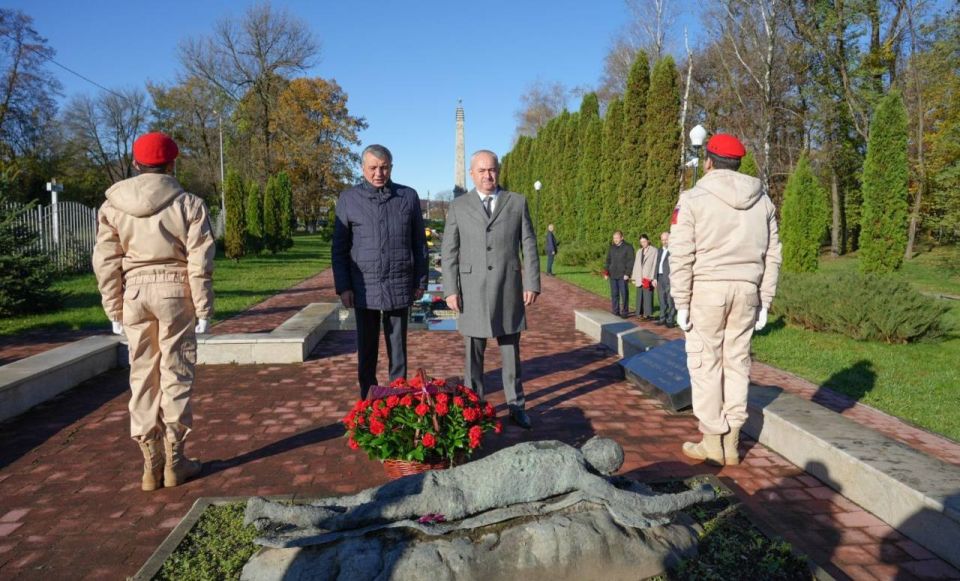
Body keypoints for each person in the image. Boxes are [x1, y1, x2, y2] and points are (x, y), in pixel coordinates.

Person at [92, 131, 214, 491]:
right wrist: (204, 307)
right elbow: (200, 260)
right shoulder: (189, 203)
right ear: (172, 163)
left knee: (142, 375)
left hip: (135, 292)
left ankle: (150, 465)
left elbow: (105, 261)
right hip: (176, 291)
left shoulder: (112, 205)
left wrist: (113, 309)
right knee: (176, 371)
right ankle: (176, 461)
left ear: (135, 163)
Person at [670, 133, 782, 466]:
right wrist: (765, 299)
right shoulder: (762, 201)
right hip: (746, 291)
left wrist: (681, 301)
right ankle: (732, 443)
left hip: (707, 291)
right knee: (737, 363)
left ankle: (712, 442)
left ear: (708, 161)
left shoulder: (693, 198)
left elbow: (681, 254)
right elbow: (773, 255)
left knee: (705, 364)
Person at [441, 150, 540, 430]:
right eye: (482, 171)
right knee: (473, 353)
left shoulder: (516, 202)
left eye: (492, 170)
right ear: (472, 173)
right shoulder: (459, 206)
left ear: (498, 171)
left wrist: (532, 282)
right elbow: (449, 251)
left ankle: (516, 405)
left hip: (508, 287)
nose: (488, 175)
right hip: (471, 290)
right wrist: (450, 289)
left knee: (510, 351)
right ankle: (474, 405)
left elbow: (529, 245)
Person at [332, 144, 428, 399]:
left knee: (398, 349)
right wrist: (344, 287)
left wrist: (420, 280)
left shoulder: (407, 197)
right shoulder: (349, 199)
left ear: (391, 168)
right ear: (363, 168)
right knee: (367, 349)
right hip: (364, 288)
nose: (378, 173)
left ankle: (397, 400)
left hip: (399, 283)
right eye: (373, 167)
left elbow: (419, 243)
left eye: (384, 167)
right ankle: (369, 399)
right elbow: (339, 248)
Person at [604, 230, 634, 318]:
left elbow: (631, 261)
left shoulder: (628, 247)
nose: (615, 240)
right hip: (613, 274)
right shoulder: (611, 247)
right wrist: (606, 272)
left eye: (617, 238)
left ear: (622, 238)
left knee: (624, 294)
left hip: (623, 275)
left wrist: (627, 273)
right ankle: (615, 311)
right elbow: (608, 260)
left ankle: (625, 312)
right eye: (614, 238)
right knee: (614, 294)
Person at [630, 234, 656, 320]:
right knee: (639, 295)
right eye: (641, 242)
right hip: (639, 276)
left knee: (647, 295)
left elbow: (655, 265)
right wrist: (634, 278)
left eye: (644, 241)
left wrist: (652, 278)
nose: (643, 243)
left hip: (648, 277)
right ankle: (639, 313)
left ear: (648, 241)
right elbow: (636, 265)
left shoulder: (654, 251)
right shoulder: (639, 251)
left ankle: (647, 314)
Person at [653, 232, 676, 327]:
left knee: (670, 300)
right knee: (661, 299)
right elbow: (656, 264)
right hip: (660, 277)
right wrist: (654, 278)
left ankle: (670, 320)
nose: (664, 242)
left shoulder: (674, 250)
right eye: (662, 240)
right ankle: (662, 318)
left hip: (669, 278)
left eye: (666, 239)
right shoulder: (659, 250)